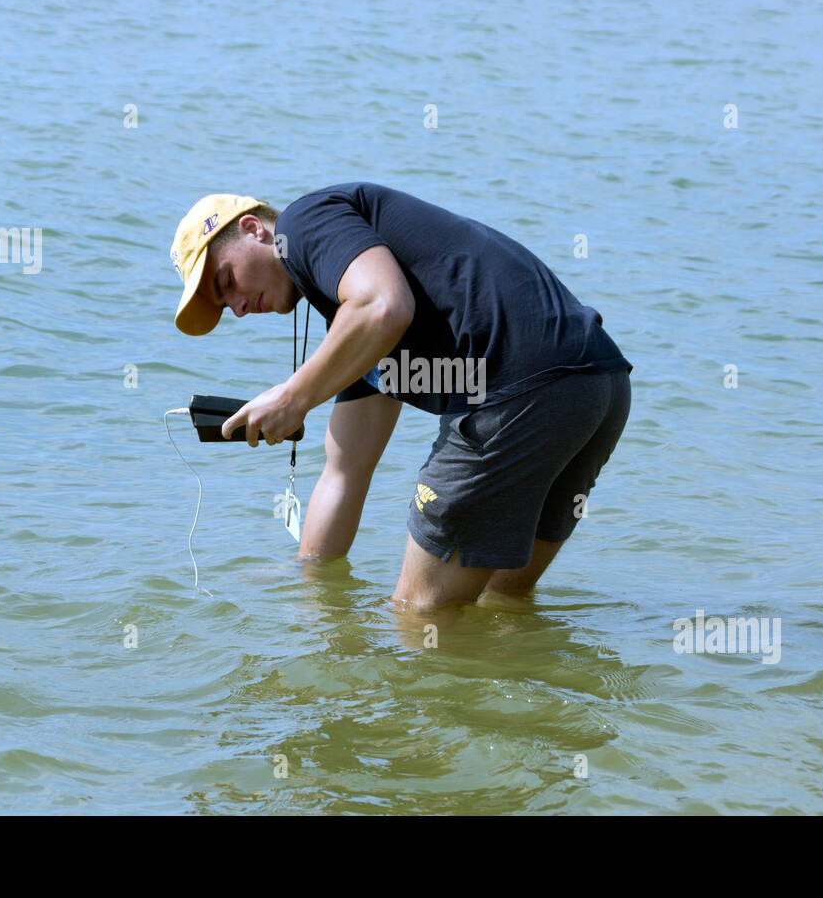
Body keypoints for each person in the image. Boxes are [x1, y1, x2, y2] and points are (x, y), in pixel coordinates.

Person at [168, 182, 632, 609]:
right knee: (499, 607)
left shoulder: (302, 223)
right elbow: (346, 470)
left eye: (226, 283)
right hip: (596, 386)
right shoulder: (357, 332)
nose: (239, 307)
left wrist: (293, 397)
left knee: (417, 615)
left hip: (516, 385)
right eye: (225, 306)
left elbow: (384, 305)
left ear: (254, 230)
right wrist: (308, 582)